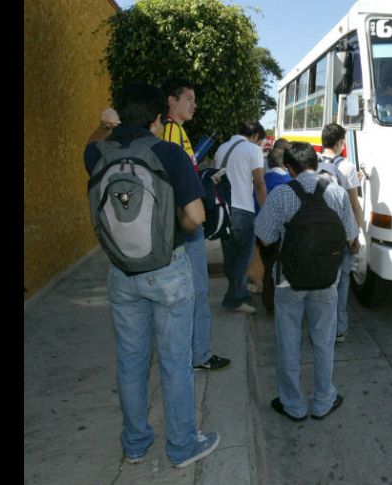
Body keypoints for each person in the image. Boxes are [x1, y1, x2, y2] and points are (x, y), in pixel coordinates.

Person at [84, 81, 220, 468]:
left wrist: (105, 123)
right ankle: (181, 447)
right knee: (175, 362)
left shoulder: (98, 152)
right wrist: (171, 223)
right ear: (158, 119)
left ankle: (136, 443)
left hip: (120, 271)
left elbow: (90, 144)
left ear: (120, 115)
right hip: (167, 269)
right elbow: (195, 217)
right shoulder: (169, 153)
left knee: (131, 361)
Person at [254, 142, 358, 421]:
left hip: (289, 280)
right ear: (315, 162)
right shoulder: (336, 193)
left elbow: (264, 236)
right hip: (326, 280)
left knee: (288, 341)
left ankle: (293, 405)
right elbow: (351, 236)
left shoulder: (281, 194)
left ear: (289, 168)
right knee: (324, 341)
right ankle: (324, 400)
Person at [161, 78, 231, 372]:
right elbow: (173, 179)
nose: (193, 104)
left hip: (184, 220)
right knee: (198, 290)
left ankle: (193, 352)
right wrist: (188, 218)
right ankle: (199, 354)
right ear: (171, 101)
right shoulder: (172, 131)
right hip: (187, 222)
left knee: (192, 291)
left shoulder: (177, 131)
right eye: (188, 98)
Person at [213, 121, 268, 314]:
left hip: (223, 209)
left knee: (230, 256)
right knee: (244, 257)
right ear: (254, 136)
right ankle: (235, 299)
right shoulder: (252, 150)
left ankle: (238, 289)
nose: (260, 145)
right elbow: (260, 184)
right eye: (260, 141)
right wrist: (266, 210)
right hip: (243, 209)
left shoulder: (221, 148)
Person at [317, 124, 363, 343]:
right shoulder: (347, 166)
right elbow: (354, 205)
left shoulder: (311, 162)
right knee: (342, 281)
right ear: (339, 143)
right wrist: (359, 233)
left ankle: (320, 327)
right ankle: (339, 328)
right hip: (339, 234)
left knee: (320, 281)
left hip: (316, 231)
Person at [256, 138, 293, 314]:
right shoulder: (290, 182)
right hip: (282, 234)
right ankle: (280, 302)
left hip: (263, 233)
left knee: (268, 266)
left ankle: (268, 302)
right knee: (281, 269)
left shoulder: (264, 179)